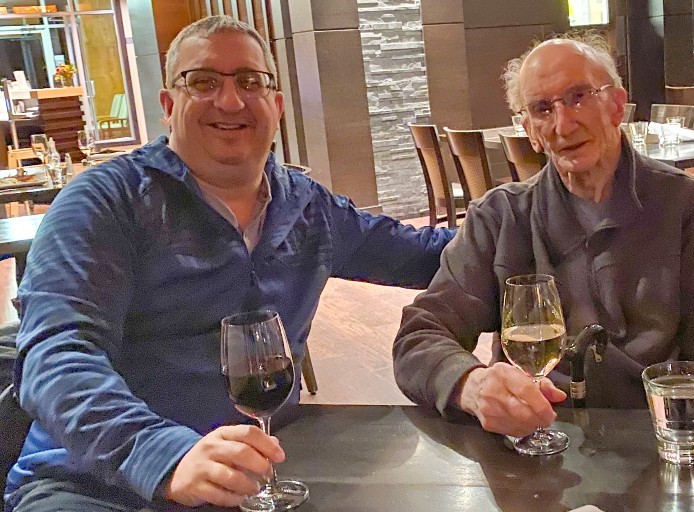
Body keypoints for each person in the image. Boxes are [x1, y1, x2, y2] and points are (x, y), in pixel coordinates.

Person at [4, 15, 453, 511]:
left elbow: (425, 254)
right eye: (203, 82)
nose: (231, 100)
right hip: (96, 485)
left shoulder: (306, 207)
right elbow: (57, 355)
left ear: (276, 105)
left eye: (249, 81)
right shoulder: (104, 204)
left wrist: (534, 212)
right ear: (169, 106)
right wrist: (163, 455)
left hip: (257, 478)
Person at [393, 32, 694, 439]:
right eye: (543, 109)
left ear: (617, 105)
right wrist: (471, 386)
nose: (563, 124)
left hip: (660, 442)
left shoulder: (685, 205)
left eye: (579, 96)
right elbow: (419, 337)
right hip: (539, 448)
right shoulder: (500, 217)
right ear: (530, 130)